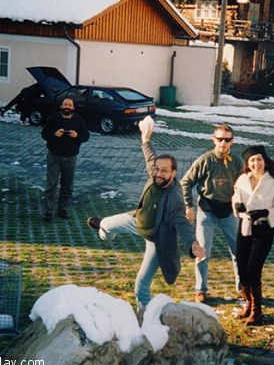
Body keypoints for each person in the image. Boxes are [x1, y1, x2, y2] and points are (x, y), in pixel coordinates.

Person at [86, 120, 205, 312]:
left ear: (174, 173)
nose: (158, 174)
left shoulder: (175, 198)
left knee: (141, 285)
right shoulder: (155, 173)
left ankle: (145, 318)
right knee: (106, 225)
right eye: (157, 170)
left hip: (156, 238)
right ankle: (106, 233)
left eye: (164, 171)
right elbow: (150, 157)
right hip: (136, 220)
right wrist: (145, 139)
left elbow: (182, 224)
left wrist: (193, 244)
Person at [180, 124, 244, 303]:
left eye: (227, 139)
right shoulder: (205, 160)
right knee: (202, 253)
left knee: (238, 252)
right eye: (219, 139)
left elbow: (245, 186)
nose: (223, 143)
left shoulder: (237, 161)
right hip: (207, 212)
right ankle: (200, 290)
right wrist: (189, 206)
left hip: (229, 212)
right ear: (213, 140)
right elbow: (185, 182)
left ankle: (242, 287)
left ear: (232, 141)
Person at [232, 145, 274, 325]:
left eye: (259, 159)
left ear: (265, 161)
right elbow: (236, 198)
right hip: (245, 226)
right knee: (241, 268)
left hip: (263, 229)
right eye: (252, 160)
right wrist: (238, 207)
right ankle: (248, 304)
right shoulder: (242, 179)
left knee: (253, 270)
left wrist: (265, 213)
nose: (256, 164)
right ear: (248, 164)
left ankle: (257, 311)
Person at [41, 97, 89, 221]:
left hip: (71, 158)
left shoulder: (78, 120)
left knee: (67, 186)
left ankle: (62, 208)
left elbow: (86, 136)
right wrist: (54, 134)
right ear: (61, 106)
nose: (67, 106)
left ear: (73, 107)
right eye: (65, 104)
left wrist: (77, 135)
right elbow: (44, 134)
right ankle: (48, 211)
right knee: (51, 185)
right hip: (54, 157)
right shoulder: (53, 118)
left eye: (69, 104)